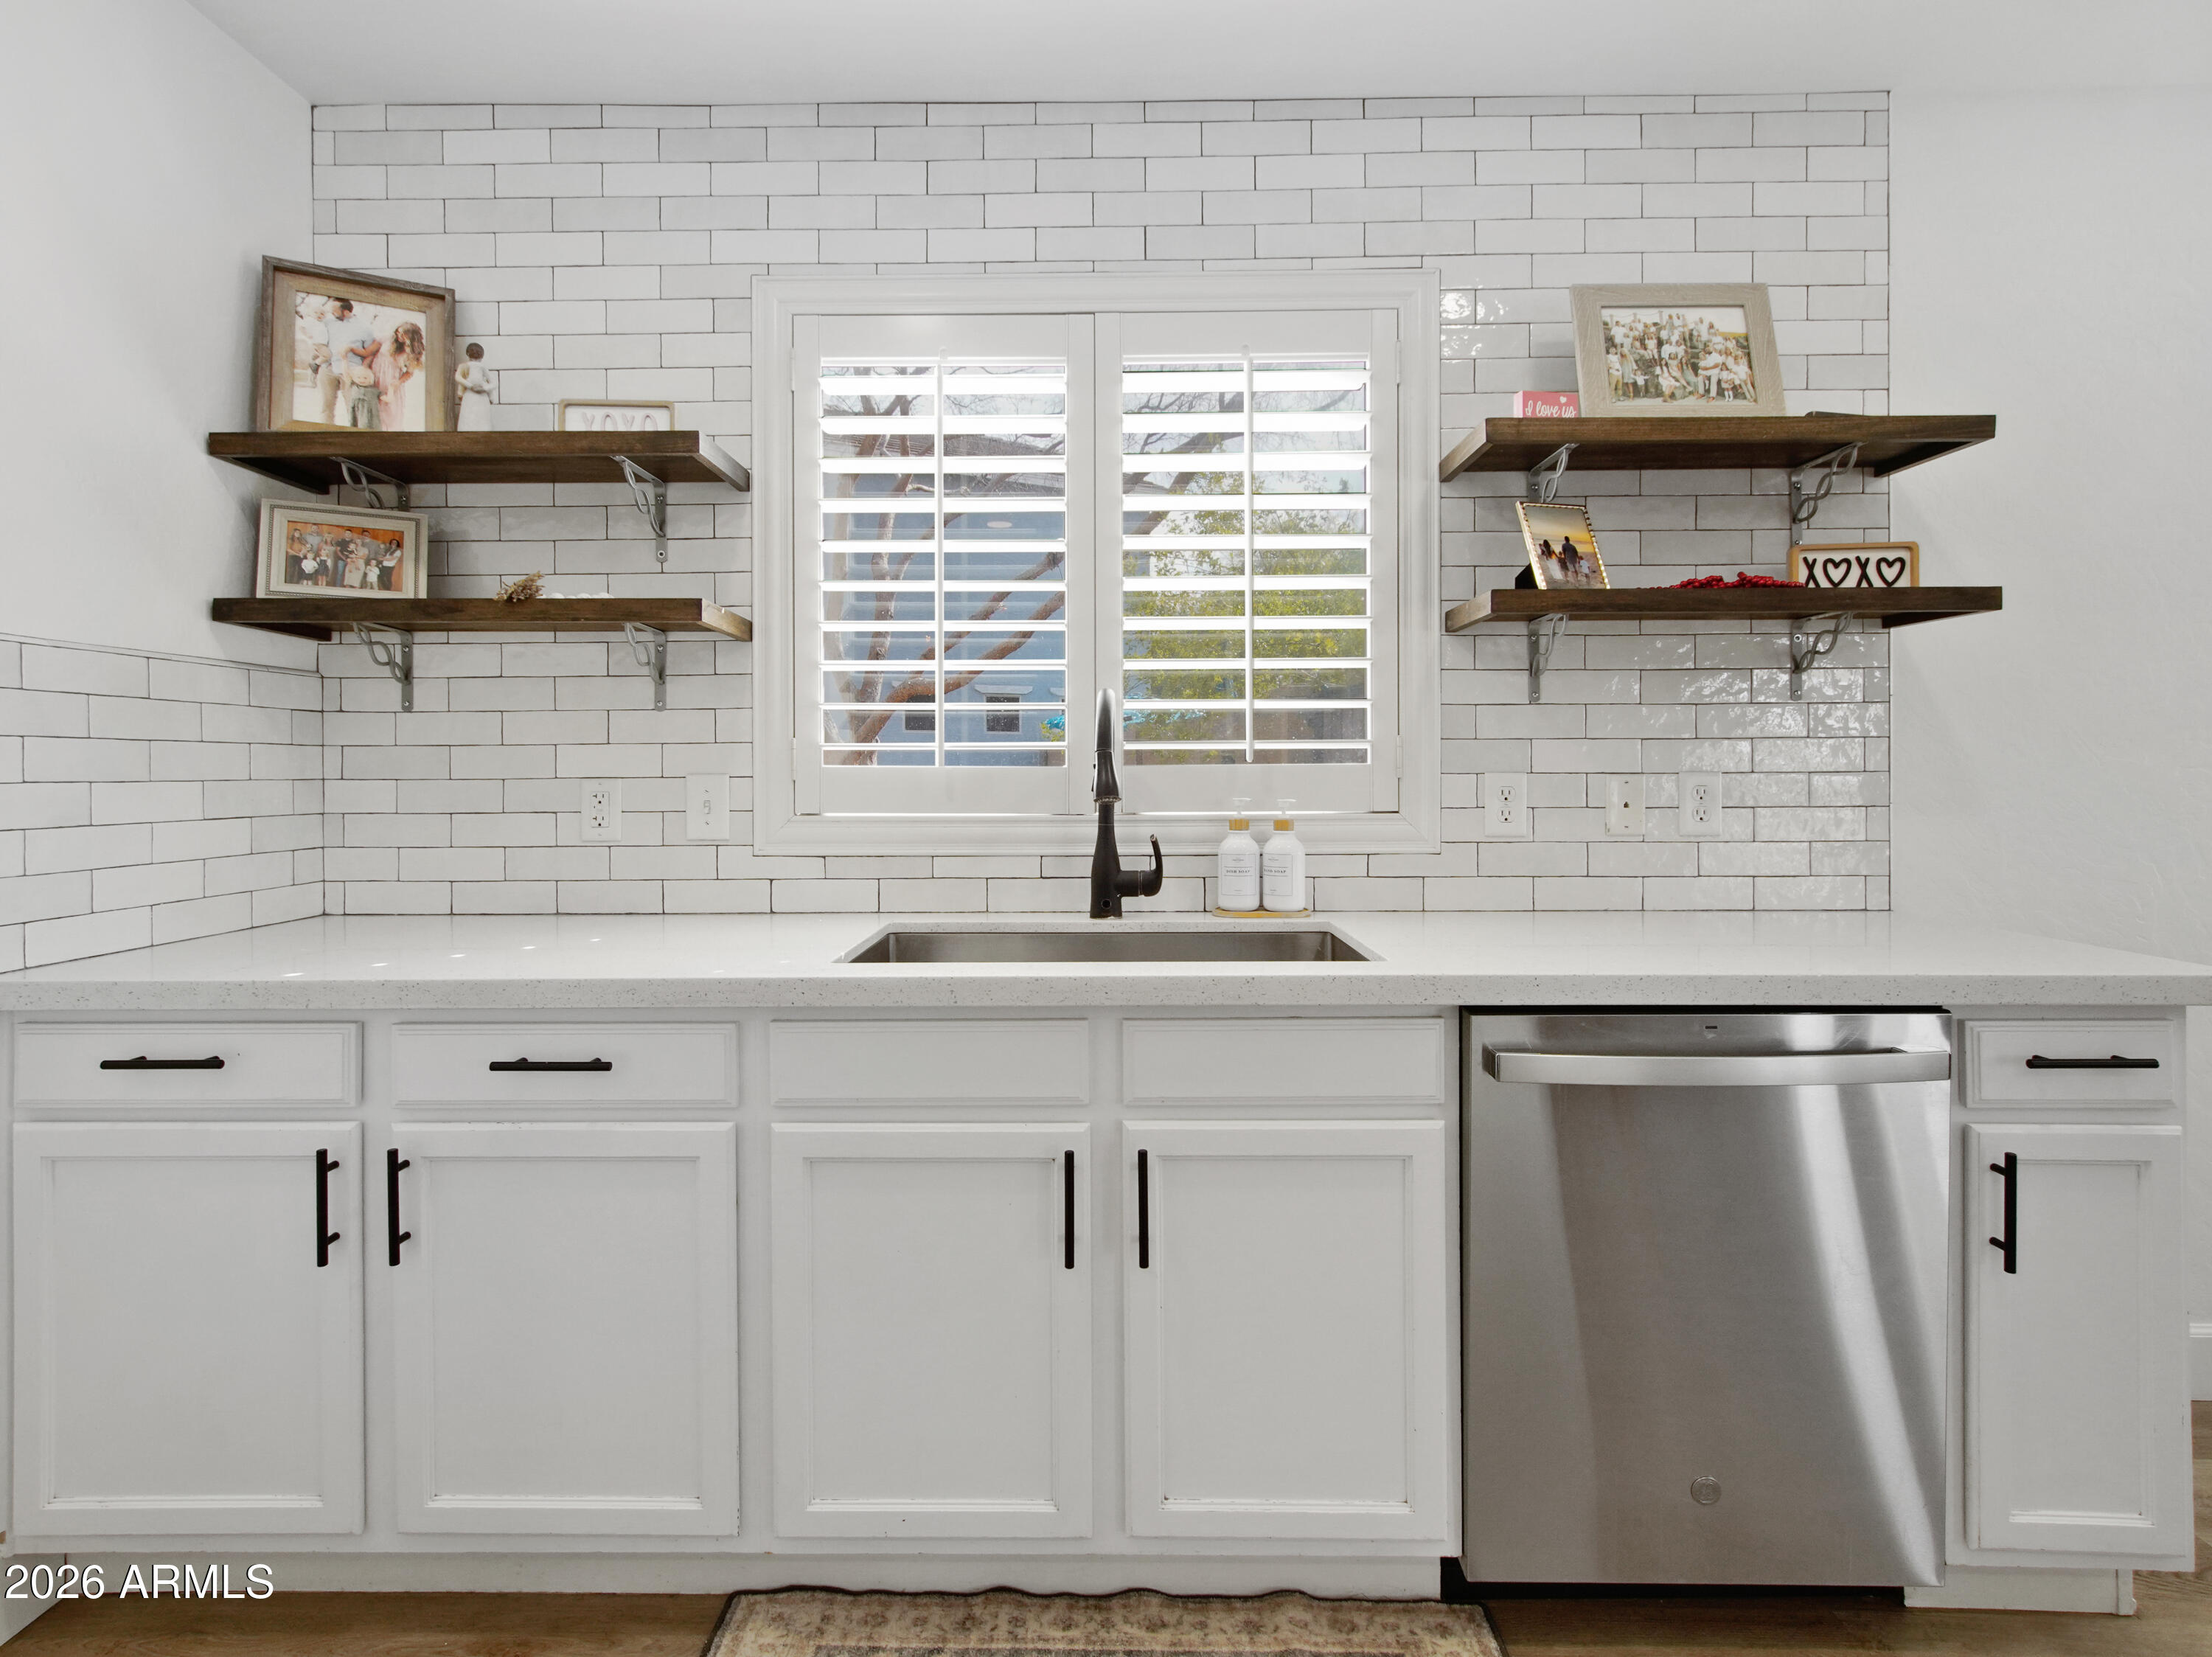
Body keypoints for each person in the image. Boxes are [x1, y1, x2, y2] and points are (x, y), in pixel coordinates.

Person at [319, 299, 380, 427]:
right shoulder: (327, 323)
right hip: (328, 369)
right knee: (326, 406)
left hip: (351, 372)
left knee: (352, 407)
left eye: (334, 311)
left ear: (345, 312)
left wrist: (364, 368)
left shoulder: (364, 328)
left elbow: (371, 352)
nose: (331, 313)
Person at [376, 322, 426, 431]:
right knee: (375, 413)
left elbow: (409, 373)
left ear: (411, 337)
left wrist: (398, 382)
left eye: (403, 334)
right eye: (398, 333)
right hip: (375, 378)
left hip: (391, 383)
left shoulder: (411, 352)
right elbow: (370, 352)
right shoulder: (388, 339)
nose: (399, 336)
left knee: (392, 415)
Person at [456, 341, 495, 431]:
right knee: (471, 419)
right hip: (472, 396)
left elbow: (458, 378)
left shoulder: (481, 367)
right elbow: (494, 383)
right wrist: (472, 387)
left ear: (468, 354)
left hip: (477, 397)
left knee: (474, 420)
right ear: (482, 356)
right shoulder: (466, 366)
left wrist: (482, 388)